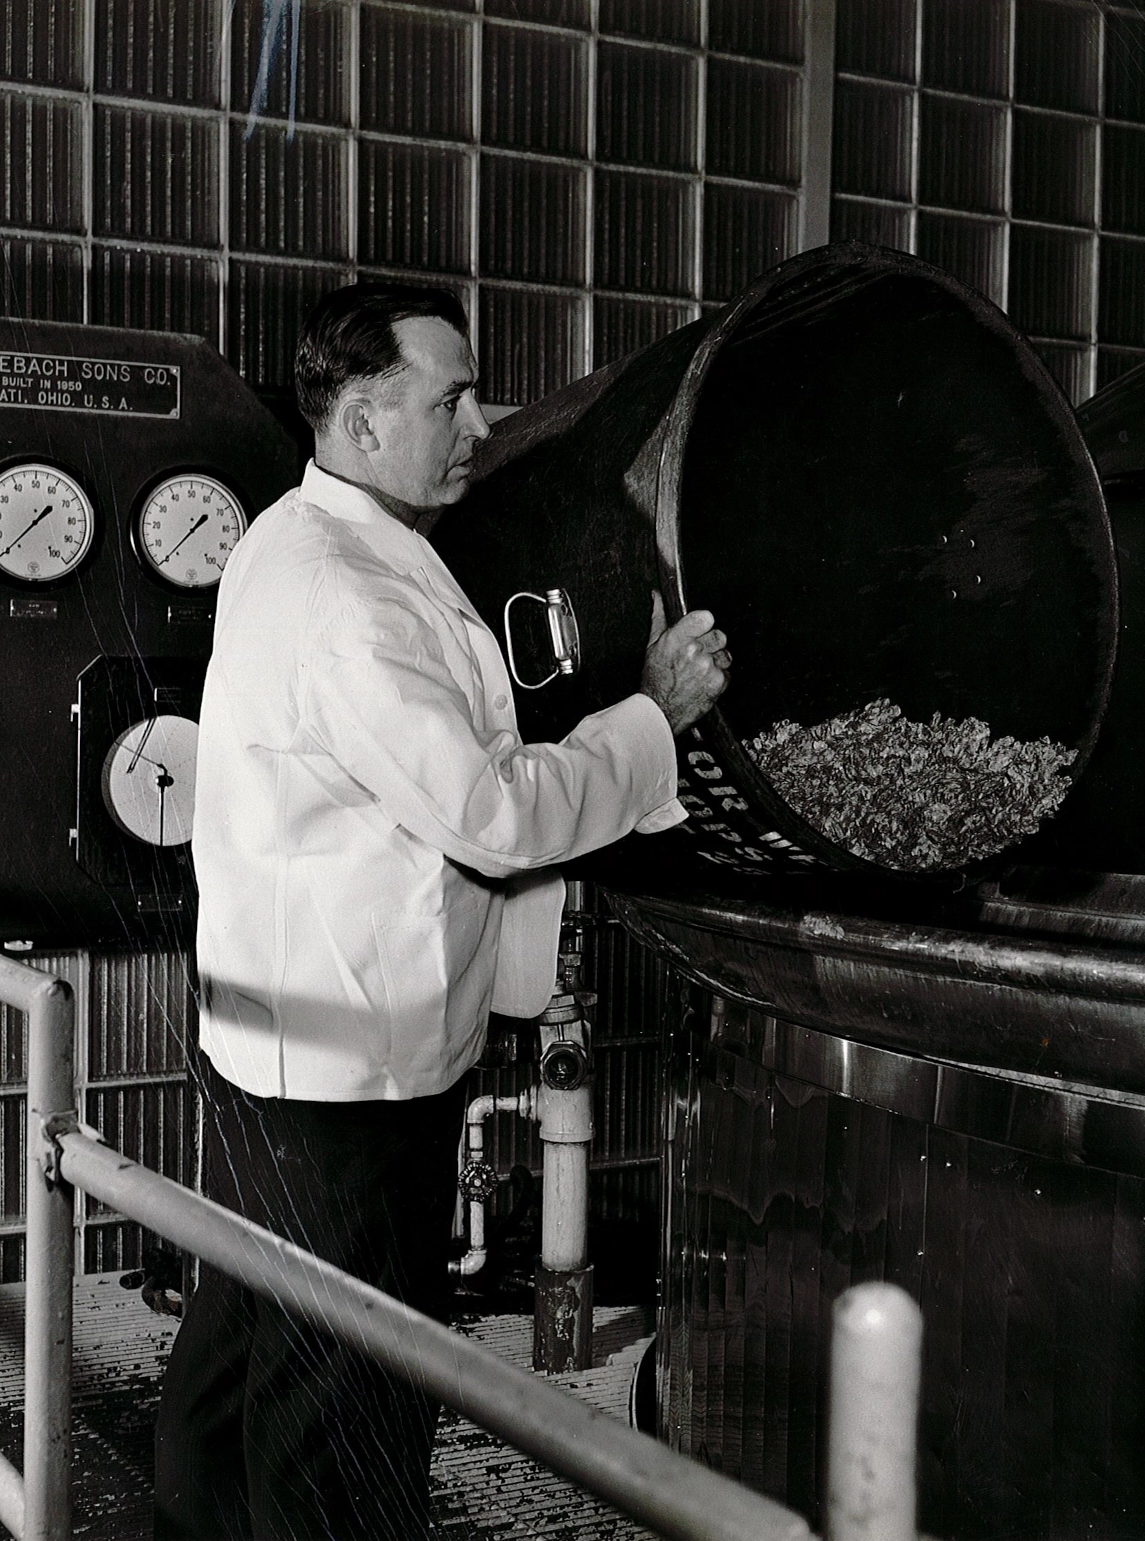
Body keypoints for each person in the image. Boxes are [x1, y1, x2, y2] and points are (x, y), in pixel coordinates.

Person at [153, 281, 730, 1541]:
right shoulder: (349, 594)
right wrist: (650, 719)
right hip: (352, 1071)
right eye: (454, 396)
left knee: (242, 1341)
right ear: (362, 421)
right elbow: (491, 811)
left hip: (278, 1033)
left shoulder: (303, 541)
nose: (481, 420)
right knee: (343, 1400)